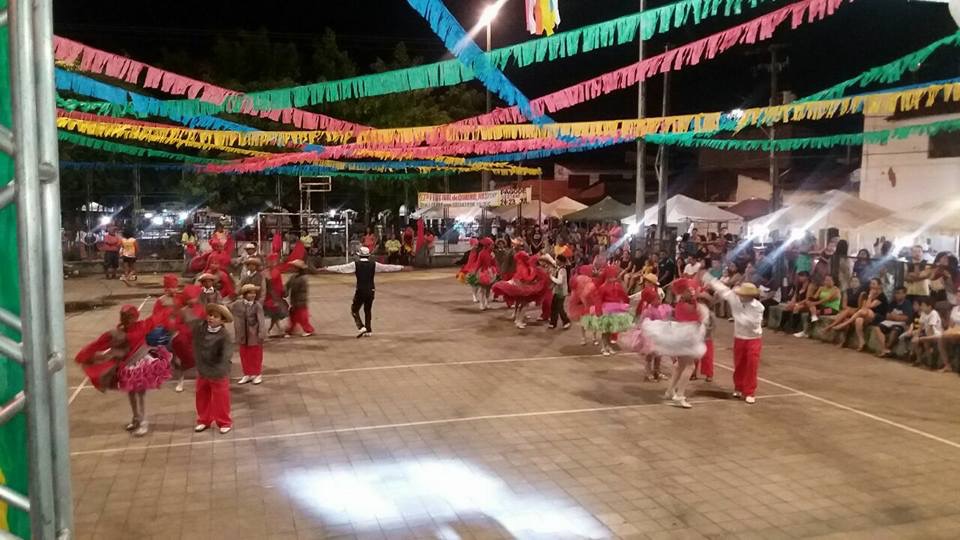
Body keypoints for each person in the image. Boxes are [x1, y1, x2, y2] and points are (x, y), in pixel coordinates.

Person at [703, 276, 765, 404]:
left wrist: (737, 315)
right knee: (739, 364)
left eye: (743, 294)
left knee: (751, 365)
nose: (740, 296)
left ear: (750, 296)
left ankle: (749, 392)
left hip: (753, 339)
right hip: (739, 338)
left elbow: (752, 323)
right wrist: (709, 278)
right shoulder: (735, 299)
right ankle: (739, 387)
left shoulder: (758, 307)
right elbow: (723, 290)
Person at [319, 246, 406, 337]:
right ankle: (368, 330)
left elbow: (341, 268)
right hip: (371, 290)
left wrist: (327, 268)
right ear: (368, 255)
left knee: (354, 310)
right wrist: (401, 267)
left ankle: (361, 327)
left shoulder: (355, 264)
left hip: (360, 290)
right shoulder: (374, 264)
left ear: (359, 255)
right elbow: (387, 267)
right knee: (367, 310)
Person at [182, 302, 234, 434]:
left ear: (222, 320)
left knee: (221, 398)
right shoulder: (201, 328)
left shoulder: (224, 335)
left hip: (218, 371)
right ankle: (204, 420)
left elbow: (226, 354)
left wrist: (219, 368)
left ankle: (224, 422)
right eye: (210, 315)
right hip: (202, 369)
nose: (211, 318)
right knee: (201, 395)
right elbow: (188, 323)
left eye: (215, 316)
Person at [584, 265, 633, 356]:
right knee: (605, 330)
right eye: (611, 277)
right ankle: (603, 347)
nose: (613, 278)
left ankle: (608, 346)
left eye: (614, 276)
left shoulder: (617, 286)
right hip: (606, 311)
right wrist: (598, 311)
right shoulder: (603, 287)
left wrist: (626, 303)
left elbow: (623, 295)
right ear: (607, 277)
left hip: (615, 311)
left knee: (611, 330)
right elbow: (598, 300)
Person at [832, 277, 888, 351]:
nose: (871, 285)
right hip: (868, 315)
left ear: (879, 286)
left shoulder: (881, 296)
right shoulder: (867, 293)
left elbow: (869, 306)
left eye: (874, 284)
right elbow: (864, 306)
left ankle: (845, 323)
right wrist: (869, 296)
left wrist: (870, 296)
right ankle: (862, 342)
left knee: (863, 311)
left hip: (878, 317)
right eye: (871, 284)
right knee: (858, 320)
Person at [230, 284, 267, 385]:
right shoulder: (237, 304)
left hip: (254, 335)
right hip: (242, 335)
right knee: (244, 355)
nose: (253, 295)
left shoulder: (257, 306)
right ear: (244, 294)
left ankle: (257, 374)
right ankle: (247, 374)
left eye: (254, 293)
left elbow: (261, 321)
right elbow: (228, 308)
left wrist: (261, 333)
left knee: (256, 355)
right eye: (250, 293)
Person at [874, 287, 913, 358]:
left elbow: (906, 318)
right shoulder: (893, 303)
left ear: (904, 294)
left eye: (899, 293)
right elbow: (887, 316)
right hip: (890, 322)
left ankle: (887, 348)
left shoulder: (907, 303)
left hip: (901, 324)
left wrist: (895, 317)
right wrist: (897, 317)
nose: (897, 295)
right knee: (877, 327)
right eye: (896, 293)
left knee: (895, 331)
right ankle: (884, 349)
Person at [284, 260, 314, 338]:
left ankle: (309, 330)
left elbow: (299, 290)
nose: (292, 268)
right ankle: (290, 330)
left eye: (294, 267)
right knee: (293, 317)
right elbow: (287, 285)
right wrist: (285, 291)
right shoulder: (293, 277)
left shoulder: (303, 279)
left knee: (302, 317)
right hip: (294, 300)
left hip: (300, 301)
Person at [910, 297, 943, 366]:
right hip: (928, 334)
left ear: (929, 307)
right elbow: (921, 327)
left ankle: (930, 363)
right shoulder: (923, 313)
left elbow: (931, 328)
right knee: (915, 340)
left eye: (923, 305)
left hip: (936, 335)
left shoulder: (934, 313)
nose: (921, 307)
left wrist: (922, 338)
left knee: (925, 341)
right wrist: (916, 336)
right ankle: (918, 360)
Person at [262, 254, 289, 337]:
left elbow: (276, 283)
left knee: (275, 313)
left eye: (273, 261)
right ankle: (275, 329)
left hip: (274, 296)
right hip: (271, 296)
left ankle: (274, 329)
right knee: (274, 313)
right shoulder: (269, 271)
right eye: (270, 261)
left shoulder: (274, 271)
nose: (272, 262)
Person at [469, 238, 499, 311]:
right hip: (483, 273)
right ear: (487, 245)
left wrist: (497, 271)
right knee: (482, 289)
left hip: (491, 272)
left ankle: (487, 303)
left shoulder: (492, 253)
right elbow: (479, 264)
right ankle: (482, 304)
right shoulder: (482, 253)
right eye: (491, 245)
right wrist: (475, 272)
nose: (493, 246)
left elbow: (494, 263)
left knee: (489, 289)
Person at [547, 254, 571, 330]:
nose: (556, 261)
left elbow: (560, 281)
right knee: (554, 307)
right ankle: (553, 322)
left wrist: (551, 277)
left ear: (561, 261)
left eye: (557, 260)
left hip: (561, 292)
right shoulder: (559, 268)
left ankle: (566, 321)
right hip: (557, 291)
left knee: (559, 308)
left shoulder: (562, 270)